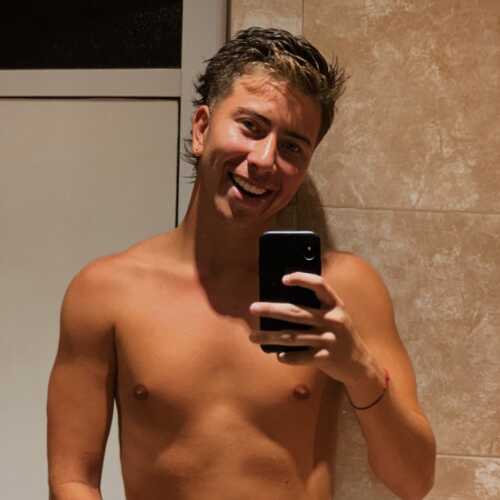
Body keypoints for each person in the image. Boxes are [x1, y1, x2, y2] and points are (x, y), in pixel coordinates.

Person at [47, 27, 436, 500]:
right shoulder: (106, 292)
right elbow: (72, 479)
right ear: (201, 128)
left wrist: (359, 369)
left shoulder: (343, 288)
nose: (265, 159)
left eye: (292, 146)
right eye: (251, 126)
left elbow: (413, 481)